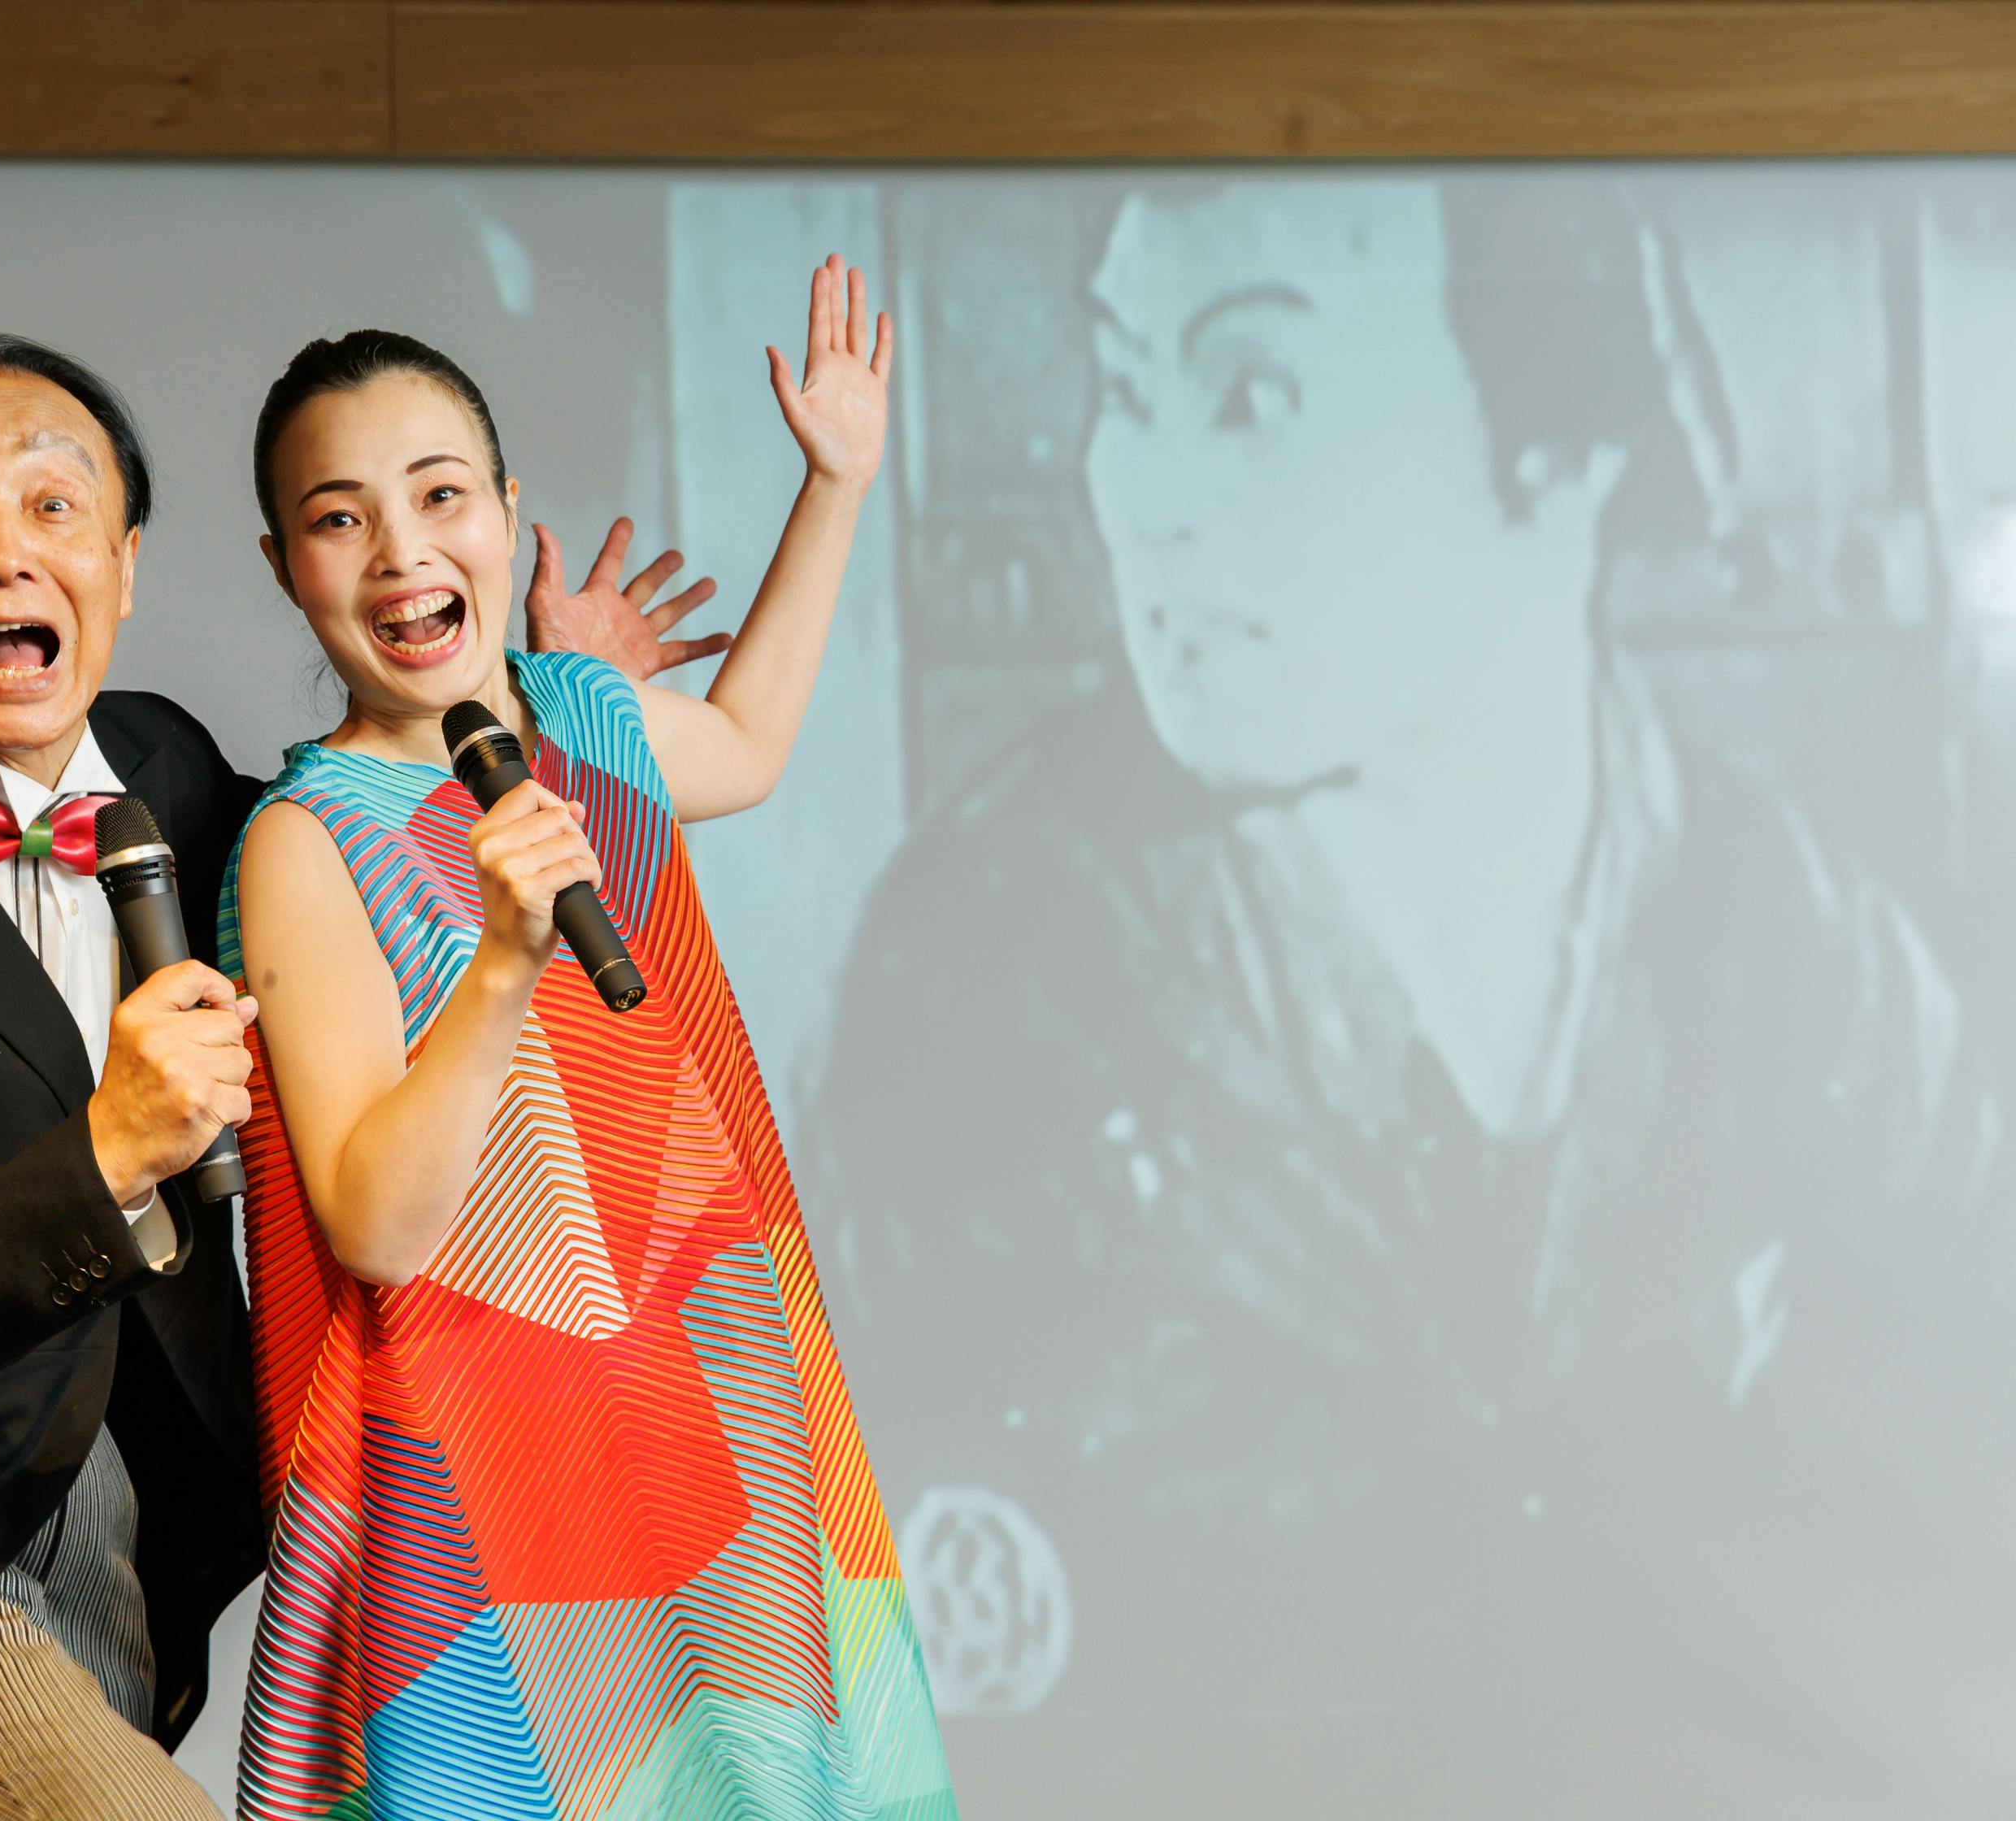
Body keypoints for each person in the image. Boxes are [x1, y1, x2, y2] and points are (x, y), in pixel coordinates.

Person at [813, 176, 2013, 1806]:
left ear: (1561, 450)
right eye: (1125, 391)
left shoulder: (1790, 944)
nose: (1141, 501)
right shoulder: (982, 962)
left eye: (1254, 395)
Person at [0, 334, 714, 1821]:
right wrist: (109, 1151)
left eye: (54, 505)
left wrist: (540, 707)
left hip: (117, 1501)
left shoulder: (169, 769)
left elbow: (378, 856)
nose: (6, 552)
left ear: (126, 564)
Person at [219, 259, 958, 1818]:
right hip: (488, 1493)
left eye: (441, 495)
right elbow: (376, 1223)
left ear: (506, 509)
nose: (403, 551)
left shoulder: (586, 718)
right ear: (286, 566)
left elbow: (745, 743)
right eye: (342, 518)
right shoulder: (306, 838)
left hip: (710, 1402)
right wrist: (504, 963)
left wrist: (834, 486)